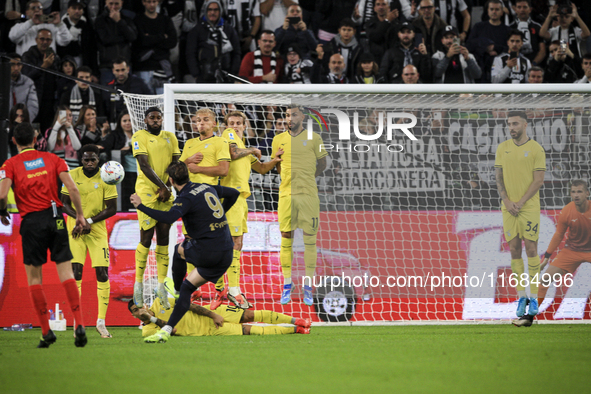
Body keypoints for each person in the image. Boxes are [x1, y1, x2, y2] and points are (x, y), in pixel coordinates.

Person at [129, 161, 240, 343]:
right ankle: (167, 329)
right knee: (189, 284)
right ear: (188, 175)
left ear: (171, 181)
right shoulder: (205, 187)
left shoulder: (185, 198)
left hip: (208, 251)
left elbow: (169, 217)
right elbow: (234, 193)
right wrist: (221, 213)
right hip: (227, 252)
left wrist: (140, 206)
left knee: (178, 250)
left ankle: (178, 290)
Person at [0, 122, 87, 348]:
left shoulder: (10, 164)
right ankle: (79, 324)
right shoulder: (53, 159)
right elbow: (73, 189)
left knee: (34, 279)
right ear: (36, 137)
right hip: (56, 217)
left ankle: (47, 332)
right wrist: (79, 215)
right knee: (66, 274)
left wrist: (2, 212)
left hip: (31, 222)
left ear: (14, 141)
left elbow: (1, 194)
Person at [212, 111, 284, 309]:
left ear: (245, 126)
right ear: (225, 126)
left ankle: (222, 289)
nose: (234, 126)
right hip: (230, 197)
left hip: (241, 198)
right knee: (233, 243)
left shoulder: (242, 146)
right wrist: (253, 149)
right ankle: (233, 290)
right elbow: (234, 153)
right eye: (231, 123)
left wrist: (275, 160)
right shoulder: (229, 138)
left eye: (238, 123)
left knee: (236, 243)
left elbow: (260, 168)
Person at [513, 180, 591, 327]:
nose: (576, 195)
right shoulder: (567, 211)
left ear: (587, 193)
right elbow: (559, 235)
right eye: (573, 192)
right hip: (572, 251)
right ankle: (528, 318)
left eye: (579, 191)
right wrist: (547, 257)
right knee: (545, 280)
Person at [271, 105, 327, 305]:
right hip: (286, 195)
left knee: (310, 239)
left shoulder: (315, 138)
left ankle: (308, 285)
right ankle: (287, 284)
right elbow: (276, 164)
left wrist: (307, 178)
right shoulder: (277, 139)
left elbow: (323, 163)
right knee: (286, 237)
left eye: (294, 114)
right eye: (287, 115)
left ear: (302, 116)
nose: (290, 118)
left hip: (308, 195)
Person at [61, 144, 117, 338]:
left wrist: (89, 221)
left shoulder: (106, 176)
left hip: (97, 232)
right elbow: (64, 203)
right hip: (75, 231)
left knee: (102, 274)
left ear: (98, 159)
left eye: (93, 159)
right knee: (76, 273)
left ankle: (101, 322)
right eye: (86, 159)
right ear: (81, 160)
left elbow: (112, 208)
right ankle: (78, 323)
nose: (90, 163)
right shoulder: (71, 175)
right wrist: (79, 220)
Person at [494, 110, 545, 321]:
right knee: (514, 250)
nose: (511, 128)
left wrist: (521, 202)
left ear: (525, 125)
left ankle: (533, 296)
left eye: (515, 124)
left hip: (528, 207)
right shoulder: (502, 148)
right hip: (509, 208)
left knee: (531, 249)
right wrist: (507, 201)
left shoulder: (536, 149)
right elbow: (498, 179)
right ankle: (521, 296)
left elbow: (538, 181)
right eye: (509, 124)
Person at [132, 107, 181, 310]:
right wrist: (162, 186)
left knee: (164, 236)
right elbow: (143, 165)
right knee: (146, 236)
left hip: (166, 192)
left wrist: (168, 187)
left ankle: (161, 285)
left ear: (162, 119)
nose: (155, 120)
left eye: (158, 117)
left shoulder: (170, 137)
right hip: (146, 191)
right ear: (145, 120)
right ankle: (138, 283)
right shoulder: (139, 136)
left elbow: (175, 164)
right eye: (151, 117)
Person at [128, 297, 310, 337]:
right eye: (136, 311)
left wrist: (213, 313)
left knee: (249, 315)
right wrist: (151, 319)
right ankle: (297, 330)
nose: (141, 311)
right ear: (134, 315)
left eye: (140, 307)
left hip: (213, 313)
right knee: (250, 331)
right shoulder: (148, 331)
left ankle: (297, 320)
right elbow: (172, 329)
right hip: (209, 331)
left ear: (145, 304)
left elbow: (190, 305)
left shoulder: (161, 302)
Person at [185, 0, 241, 83]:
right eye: (210, 10)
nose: (212, 13)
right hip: (204, 77)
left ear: (220, 11)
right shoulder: (197, 30)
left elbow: (237, 53)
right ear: (206, 11)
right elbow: (190, 53)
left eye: (216, 10)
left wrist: (232, 73)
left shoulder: (229, 30)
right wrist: (196, 75)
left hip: (226, 77)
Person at [133, 0, 177, 94]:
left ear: (158, 2)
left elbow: (172, 42)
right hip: (143, 68)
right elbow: (141, 41)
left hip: (162, 67)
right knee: (146, 104)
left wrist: (150, 38)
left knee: (165, 104)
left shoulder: (165, 20)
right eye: (149, 2)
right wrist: (162, 37)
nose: (152, 4)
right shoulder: (138, 20)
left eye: (154, 1)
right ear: (143, 2)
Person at [21, 29, 61, 132]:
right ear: (36, 40)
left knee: (47, 131)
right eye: (42, 39)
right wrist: (43, 67)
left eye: (48, 39)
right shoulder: (27, 56)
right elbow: (26, 77)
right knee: (31, 131)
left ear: (51, 41)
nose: (44, 42)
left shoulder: (55, 57)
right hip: (33, 100)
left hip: (50, 101)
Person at [540, 2, 590, 76]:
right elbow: (542, 34)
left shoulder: (575, 30)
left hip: (573, 63)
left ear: (571, 19)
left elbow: (587, 34)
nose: (564, 19)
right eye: (561, 16)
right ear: (557, 17)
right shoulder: (554, 30)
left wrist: (577, 16)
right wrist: (549, 16)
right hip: (556, 62)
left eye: (567, 17)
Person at [466, 0, 511, 82]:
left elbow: (511, 49)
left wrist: (495, 48)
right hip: (481, 68)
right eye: (492, 9)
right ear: (488, 11)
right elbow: (469, 45)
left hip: (501, 70)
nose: (494, 11)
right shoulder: (478, 27)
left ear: (502, 12)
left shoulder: (508, 30)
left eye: (497, 9)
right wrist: (485, 47)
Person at [94, 0, 137, 85]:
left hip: (125, 66)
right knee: (109, 96)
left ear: (122, 3)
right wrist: (124, 38)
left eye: (116, 4)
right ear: (106, 3)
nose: (113, 7)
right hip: (107, 66)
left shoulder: (127, 19)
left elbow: (132, 37)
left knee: (126, 96)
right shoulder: (100, 20)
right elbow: (105, 39)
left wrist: (119, 21)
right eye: (111, 4)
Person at [104, 58, 151, 122]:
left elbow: (150, 101)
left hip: (137, 121)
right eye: (117, 70)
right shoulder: (109, 86)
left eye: (123, 70)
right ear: (113, 71)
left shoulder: (139, 83)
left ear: (128, 69)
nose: (120, 73)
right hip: (116, 122)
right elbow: (106, 107)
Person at [58, 0, 98, 72]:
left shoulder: (87, 27)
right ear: (68, 10)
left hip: (83, 67)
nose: (77, 11)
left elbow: (92, 51)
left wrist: (94, 72)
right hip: (64, 68)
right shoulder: (61, 26)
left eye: (79, 9)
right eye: (74, 8)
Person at [509, 0, 546, 66]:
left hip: (534, 66)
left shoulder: (537, 27)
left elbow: (542, 51)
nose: (522, 10)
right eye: (519, 7)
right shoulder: (510, 28)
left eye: (525, 7)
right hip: (515, 66)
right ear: (515, 9)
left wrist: (533, 64)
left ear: (530, 9)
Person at [46, 105, 82, 169]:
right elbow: (50, 147)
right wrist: (56, 126)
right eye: (65, 115)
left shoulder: (76, 131)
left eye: (70, 115)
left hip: (73, 167)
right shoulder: (50, 131)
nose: (68, 118)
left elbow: (77, 147)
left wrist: (70, 128)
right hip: (56, 167)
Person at [118, 112, 137, 211]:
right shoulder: (117, 136)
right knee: (127, 197)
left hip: (139, 171)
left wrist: (129, 148)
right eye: (124, 121)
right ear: (120, 123)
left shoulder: (139, 136)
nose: (127, 123)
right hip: (125, 172)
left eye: (130, 120)